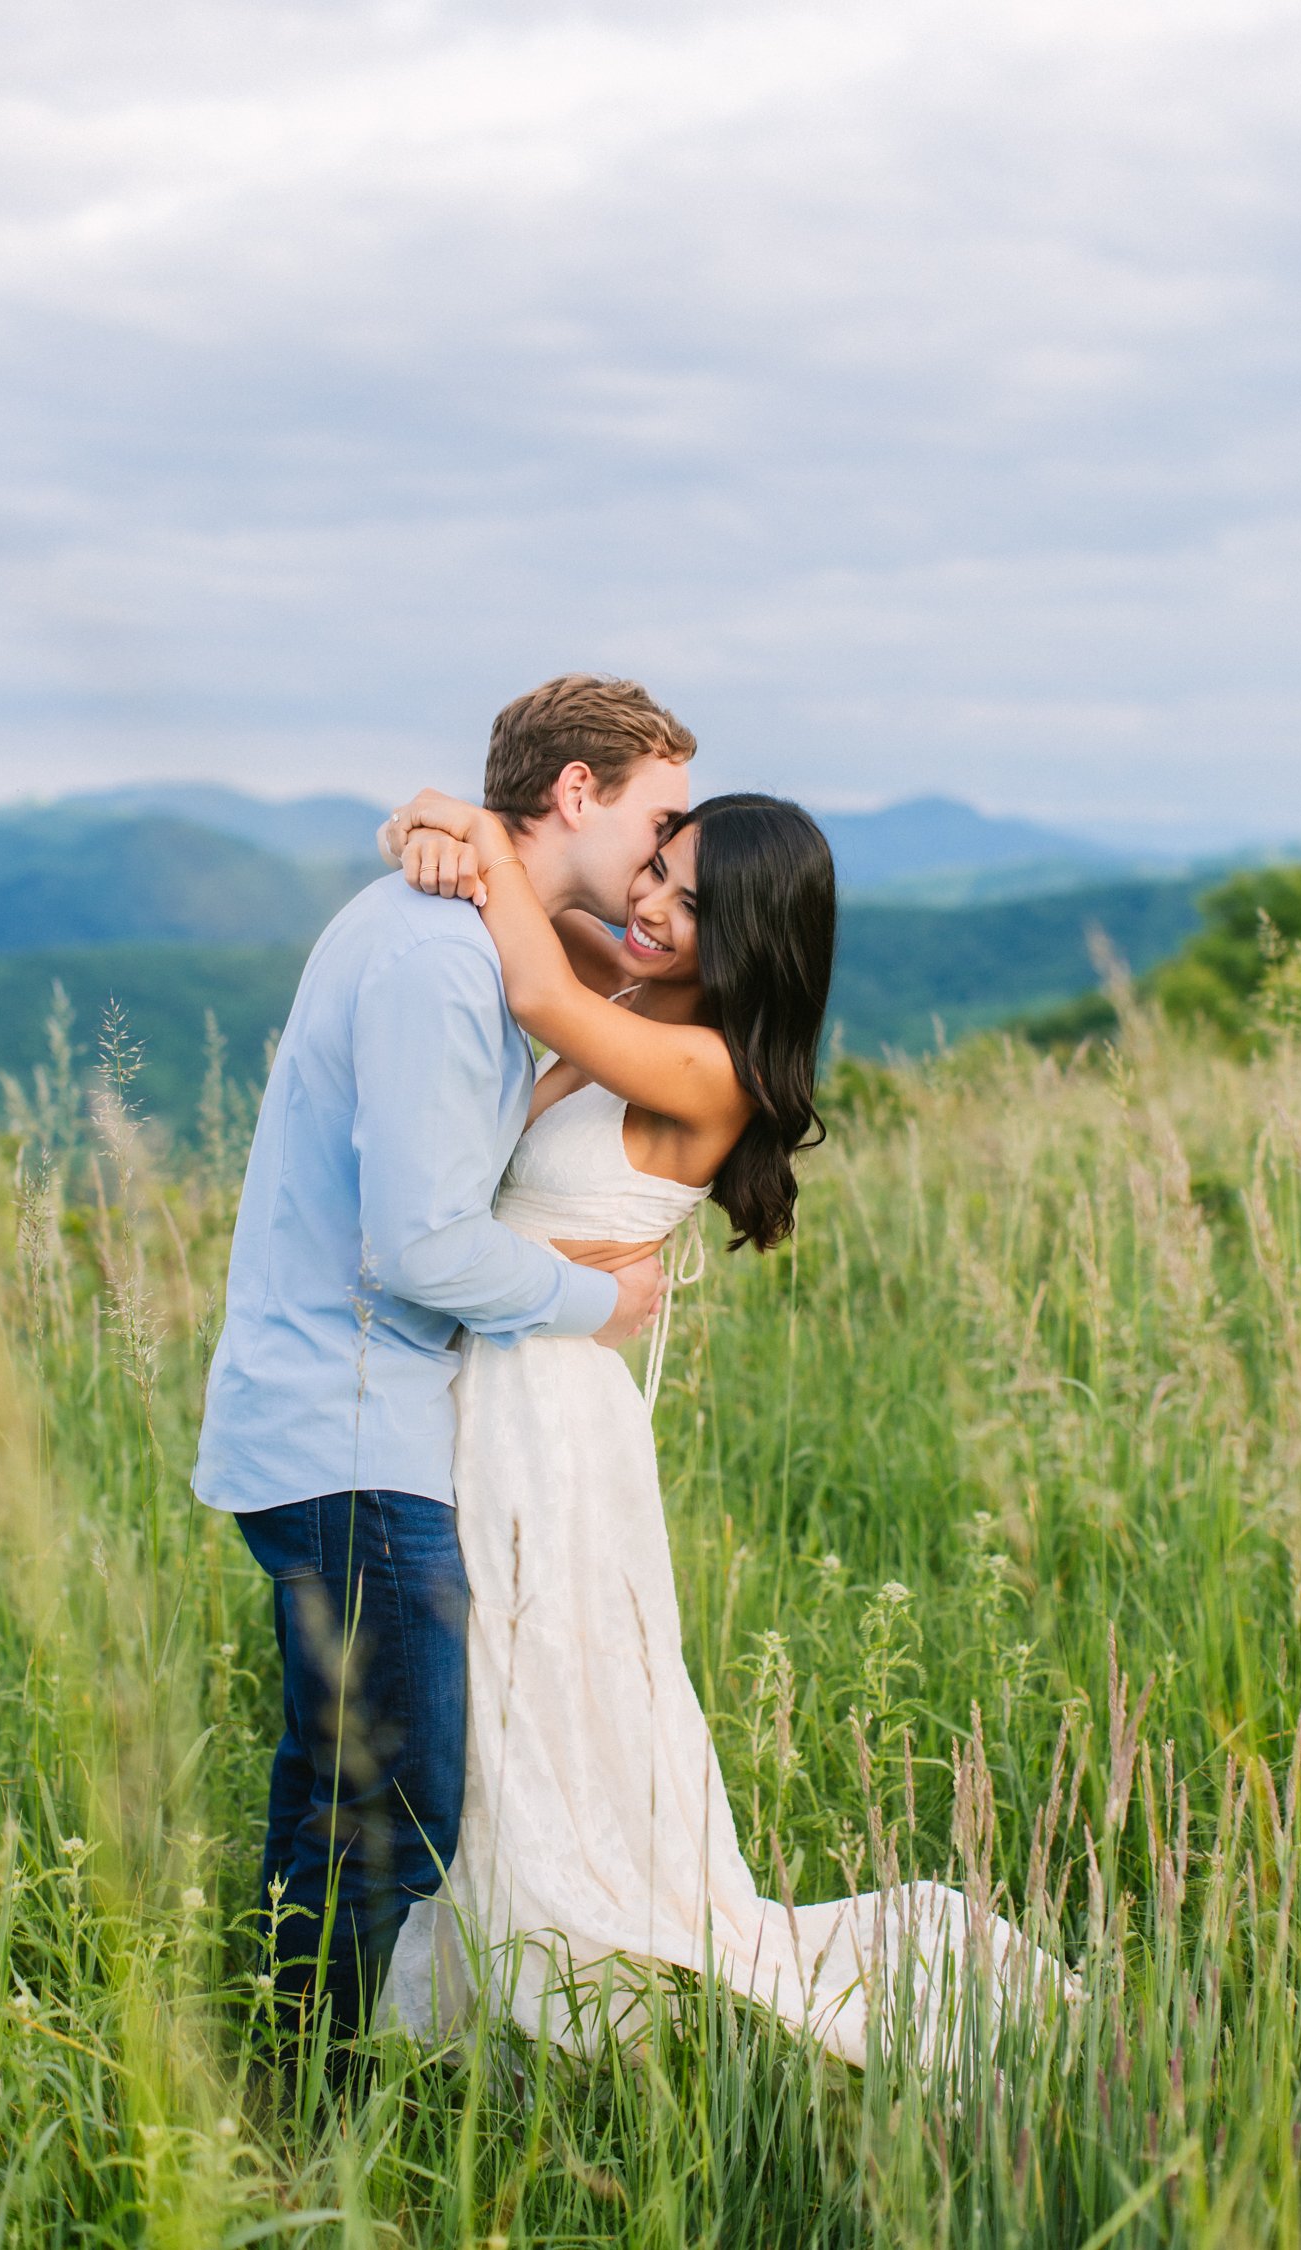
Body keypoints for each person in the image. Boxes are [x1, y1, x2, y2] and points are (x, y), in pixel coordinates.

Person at [377, 782, 1072, 2069]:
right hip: (502, 1378)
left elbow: (535, 990)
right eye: (657, 871)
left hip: (554, 1417)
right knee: (494, 1685)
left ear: (750, 935)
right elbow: (541, 908)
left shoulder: (711, 1066)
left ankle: (567, 1973)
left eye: (690, 904)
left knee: (540, 1680)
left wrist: (477, 838)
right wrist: (433, 823)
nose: (648, 906)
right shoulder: (642, 992)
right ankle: (484, 1960)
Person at [192, 674, 696, 2048]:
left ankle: (284, 2092)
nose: (664, 856)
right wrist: (593, 1300)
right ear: (579, 792)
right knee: (394, 1811)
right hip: (348, 1426)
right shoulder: (438, 956)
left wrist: (457, 827)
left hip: (358, 1417)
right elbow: (422, 1243)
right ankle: (308, 2120)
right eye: (657, 819)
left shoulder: (475, 925)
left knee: (341, 1788)